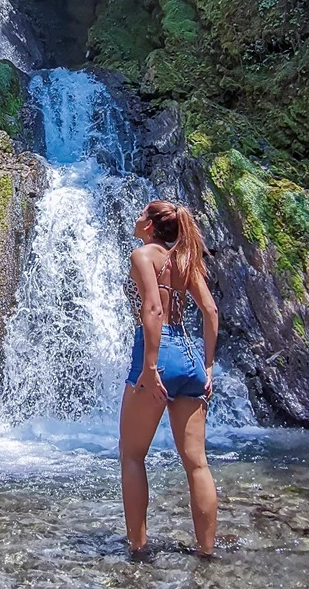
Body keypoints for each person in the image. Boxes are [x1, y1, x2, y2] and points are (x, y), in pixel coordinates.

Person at [120, 200, 220, 559]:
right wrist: (208, 366)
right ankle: (206, 551)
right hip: (189, 357)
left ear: (149, 226)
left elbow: (153, 308)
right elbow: (210, 310)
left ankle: (139, 546)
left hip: (157, 354)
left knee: (131, 455)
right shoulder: (184, 261)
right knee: (197, 462)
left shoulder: (143, 255)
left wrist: (149, 367)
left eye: (140, 213)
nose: (136, 217)